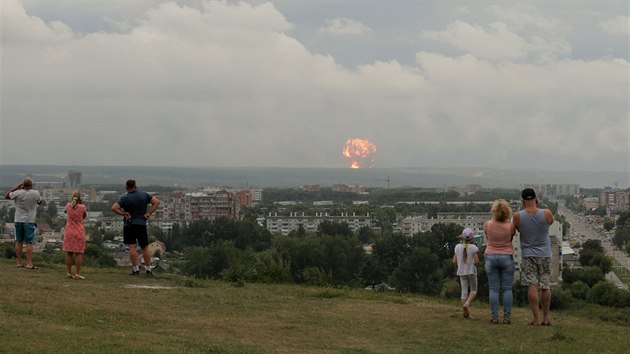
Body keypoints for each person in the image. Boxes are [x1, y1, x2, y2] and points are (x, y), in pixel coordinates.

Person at [513, 188, 554, 326]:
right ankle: (546, 317)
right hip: (545, 254)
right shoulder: (546, 213)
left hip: (528, 254)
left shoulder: (518, 216)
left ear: (523, 201)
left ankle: (536, 318)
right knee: (545, 285)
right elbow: (550, 222)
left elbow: (515, 230)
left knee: (532, 285)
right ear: (536, 198)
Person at [111, 179, 160, 277]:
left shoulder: (125, 198)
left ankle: (136, 270)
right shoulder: (144, 195)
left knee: (132, 247)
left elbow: (114, 208)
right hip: (141, 223)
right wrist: (148, 213)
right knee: (145, 247)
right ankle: (148, 270)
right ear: (135, 186)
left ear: (126, 188)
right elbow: (156, 202)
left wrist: (123, 213)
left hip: (129, 224)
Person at [484, 199, 516, 324]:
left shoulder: (488, 224)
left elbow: (487, 237)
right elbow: (511, 237)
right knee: (507, 289)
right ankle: (507, 317)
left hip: (491, 256)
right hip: (506, 257)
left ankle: (494, 316)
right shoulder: (510, 226)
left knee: (493, 289)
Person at [5, 178, 42, 269]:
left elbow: (6, 196)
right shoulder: (36, 193)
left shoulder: (18, 192)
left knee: (19, 241)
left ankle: (19, 262)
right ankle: (29, 263)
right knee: (29, 242)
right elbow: (39, 202)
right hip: (29, 220)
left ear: (23, 185)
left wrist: (15, 188)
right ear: (31, 185)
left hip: (18, 220)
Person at [452, 228, 479, 319]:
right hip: (471, 271)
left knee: (464, 292)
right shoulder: (474, 247)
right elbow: (477, 261)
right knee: (474, 290)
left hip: (461, 272)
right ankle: (466, 305)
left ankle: (466, 314)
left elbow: (454, 261)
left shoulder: (457, 247)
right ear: (471, 238)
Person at [63, 191, 87, 279]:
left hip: (69, 231)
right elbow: (83, 217)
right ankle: (77, 273)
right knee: (79, 253)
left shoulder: (68, 206)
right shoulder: (82, 207)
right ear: (80, 198)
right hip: (79, 232)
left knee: (69, 253)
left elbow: (66, 211)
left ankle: (69, 272)